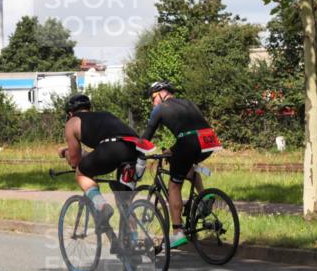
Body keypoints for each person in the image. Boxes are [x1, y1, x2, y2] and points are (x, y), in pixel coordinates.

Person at [139, 81, 222, 248]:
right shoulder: (187, 103)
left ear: (161, 94)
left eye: (153, 98)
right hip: (209, 141)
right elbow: (192, 128)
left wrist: (137, 153)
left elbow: (147, 135)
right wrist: (173, 150)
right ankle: (204, 197)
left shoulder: (160, 109)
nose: (152, 102)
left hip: (189, 142)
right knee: (187, 166)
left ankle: (177, 233)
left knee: (174, 186)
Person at [58, 93, 149, 225]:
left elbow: (75, 161)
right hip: (134, 149)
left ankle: (102, 206)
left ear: (70, 113)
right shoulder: (105, 115)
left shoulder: (72, 122)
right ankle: (132, 242)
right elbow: (100, 151)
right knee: (124, 201)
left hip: (110, 149)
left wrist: (65, 152)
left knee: (81, 172)